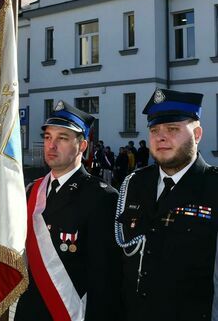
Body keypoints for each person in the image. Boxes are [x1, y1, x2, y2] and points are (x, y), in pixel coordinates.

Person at [115, 88, 218, 321]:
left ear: (198, 134)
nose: (161, 137)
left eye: (173, 129)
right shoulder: (134, 183)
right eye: (154, 130)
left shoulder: (212, 186)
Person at [15, 100, 120, 321]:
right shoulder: (32, 191)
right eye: (47, 137)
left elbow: (103, 278)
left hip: (68, 312)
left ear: (82, 146)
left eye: (62, 138)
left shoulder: (102, 197)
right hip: (29, 311)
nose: (51, 146)